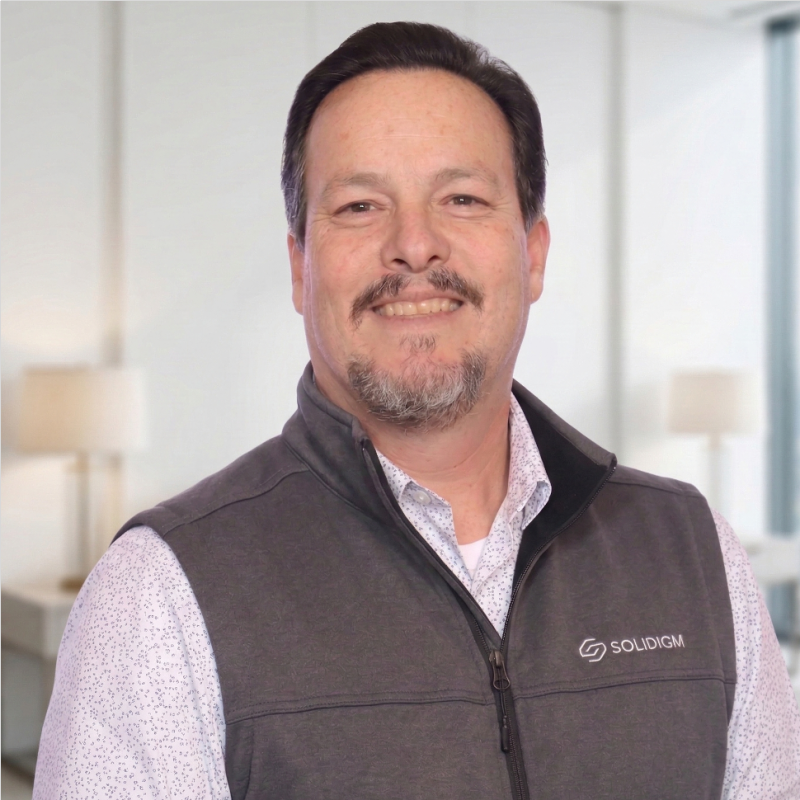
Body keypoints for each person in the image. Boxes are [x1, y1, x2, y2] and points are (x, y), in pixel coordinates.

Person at [34, 21, 799, 800]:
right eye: (360, 205)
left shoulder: (696, 554)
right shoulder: (159, 595)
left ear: (533, 253)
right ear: (301, 267)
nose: (414, 245)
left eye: (462, 199)